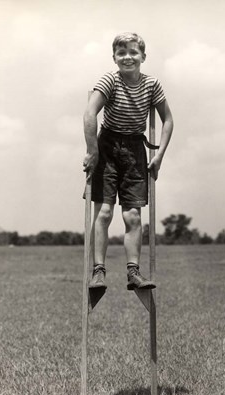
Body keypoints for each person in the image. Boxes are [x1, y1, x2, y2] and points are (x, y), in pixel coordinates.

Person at [83, 32, 173, 291]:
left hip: (135, 148)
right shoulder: (110, 80)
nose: (128, 57)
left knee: (133, 216)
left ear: (143, 56)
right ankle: (98, 272)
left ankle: (133, 272)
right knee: (104, 212)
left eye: (134, 52)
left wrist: (159, 155)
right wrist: (92, 151)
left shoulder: (152, 84)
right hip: (107, 146)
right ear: (114, 57)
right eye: (121, 53)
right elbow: (90, 113)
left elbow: (168, 119)